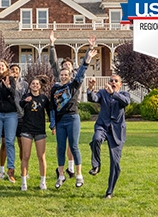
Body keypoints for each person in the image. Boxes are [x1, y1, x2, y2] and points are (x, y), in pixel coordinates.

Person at [50, 48, 97, 189]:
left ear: (70, 76)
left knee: (74, 146)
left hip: (73, 119)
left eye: (66, 75)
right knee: (61, 148)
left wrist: (87, 59)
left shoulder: (73, 86)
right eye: (62, 75)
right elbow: (53, 108)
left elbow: (81, 73)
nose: (64, 76)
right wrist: (53, 124)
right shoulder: (54, 89)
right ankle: (61, 175)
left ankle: (79, 175)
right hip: (60, 121)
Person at [87, 74, 130, 199]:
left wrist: (113, 93)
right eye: (111, 80)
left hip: (117, 132)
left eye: (116, 81)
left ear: (120, 84)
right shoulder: (102, 92)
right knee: (96, 139)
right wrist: (90, 88)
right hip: (102, 126)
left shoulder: (124, 95)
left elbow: (125, 102)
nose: (113, 82)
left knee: (115, 163)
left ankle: (109, 191)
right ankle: (96, 165)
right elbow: (93, 98)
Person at [19, 76, 51, 191]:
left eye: (37, 84)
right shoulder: (26, 96)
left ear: (40, 86)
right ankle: (23, 182)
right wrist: (24, 101)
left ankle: (43, 181)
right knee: (25, 156)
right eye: (33, 84)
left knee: (41, 157)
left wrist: (53, 125)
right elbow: (21, 105)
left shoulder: (44, 98)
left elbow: (49, 111)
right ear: (30, 85)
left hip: (40, 131)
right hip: (27, 130)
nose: (35, 85)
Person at [0, 64, 28, 179]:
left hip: (20, 117)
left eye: (17, 70)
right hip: (7, 115)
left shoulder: (24, 84)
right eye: (12, 70)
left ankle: (23, 170)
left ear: (19, 72)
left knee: (21, 144)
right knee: (4, 143)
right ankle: (1, 170)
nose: (15, 72)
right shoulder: (3, 82)